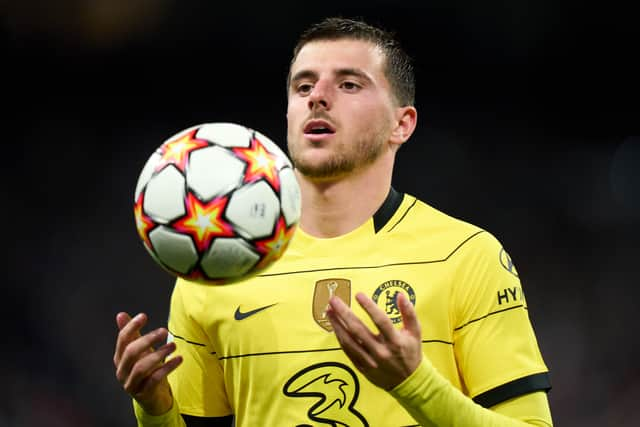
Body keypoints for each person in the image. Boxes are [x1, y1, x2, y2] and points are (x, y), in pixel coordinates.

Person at [114, 17, 553, 426]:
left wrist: (414, 383)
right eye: (303, 86)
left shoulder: (466, 257)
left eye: (348, 83)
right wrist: (154, 410)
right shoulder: (217, 265)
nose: (317, 96)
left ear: (401, 124)